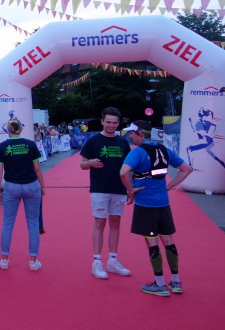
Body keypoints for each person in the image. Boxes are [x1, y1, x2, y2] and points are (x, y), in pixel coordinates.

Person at [120, 120, 193, 296]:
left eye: (132, 133)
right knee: (168, 241)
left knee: (152, 242)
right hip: (163, 203)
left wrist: (130, 190)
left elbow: (123, 172)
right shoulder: (164, 149)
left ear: (140, 133)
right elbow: (186, 169)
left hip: (146, 204)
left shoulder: (138, 151)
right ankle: (176, 282)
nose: (130, 136)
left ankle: (159, 284)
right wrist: (169, 186)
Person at [80, 107, 132, 279]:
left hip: (119, 188)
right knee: (99, 223)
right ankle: (96, 262)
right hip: (99, 189)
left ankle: (113, 260)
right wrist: (90, 163)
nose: (111, 125)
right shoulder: (93, 141)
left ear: (119, 123)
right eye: (108, 122)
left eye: (114, 123)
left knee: (116, 223)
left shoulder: (123, 142)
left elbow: (129, 168)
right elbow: (82, 164)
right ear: (102, 122)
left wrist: (130, 189)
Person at [0, 119, 45, 271]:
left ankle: (4, 260)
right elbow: (37, 168)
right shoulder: (30, 144)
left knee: (7, 223)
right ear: (21, 129)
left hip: (12, 186)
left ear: (8, 130)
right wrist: (43, 185)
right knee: (33, 223)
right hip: (31, 185)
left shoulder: (2, 146)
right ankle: (33, 261)